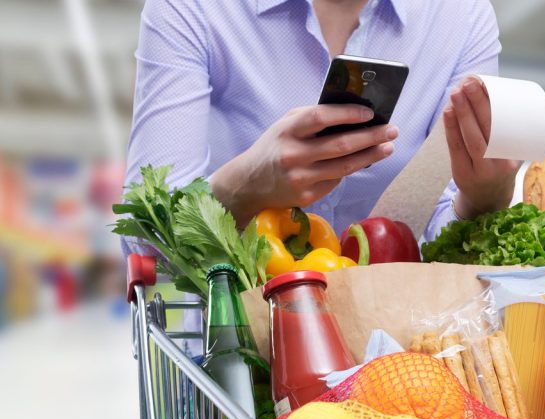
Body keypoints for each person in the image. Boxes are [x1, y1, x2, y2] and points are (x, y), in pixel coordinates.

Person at [126, 0, 522, 243]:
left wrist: (480, 199)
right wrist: (241, 189)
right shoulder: (192, 8)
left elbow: (439, 225)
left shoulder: (462, 17)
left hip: (385, 338)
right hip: (234, 325)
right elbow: (142, 229)